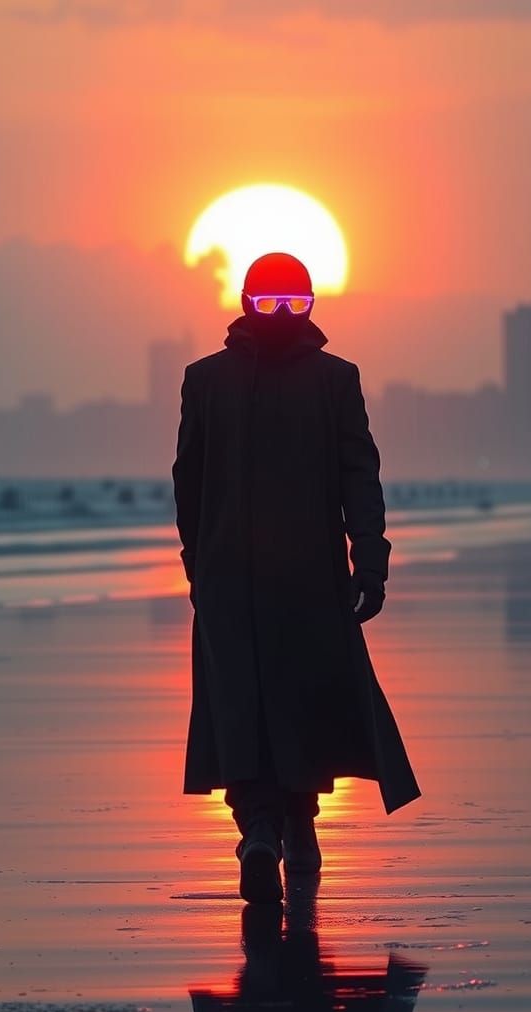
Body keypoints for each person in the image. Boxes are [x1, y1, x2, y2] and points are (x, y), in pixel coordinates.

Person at [172, 251, 421, 905]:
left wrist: (370, 560)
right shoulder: (207, 381)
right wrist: (199, 565)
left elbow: (358, 477)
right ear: (244, 303)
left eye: (293, 305)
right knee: (254, 710)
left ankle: (281, 828)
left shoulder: (335, 381)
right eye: (268, 304)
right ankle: (267, 829)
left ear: (312, 304)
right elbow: (189, 483)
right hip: (243, 583)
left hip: (299, 581)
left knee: (280, 709)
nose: (281, 318)